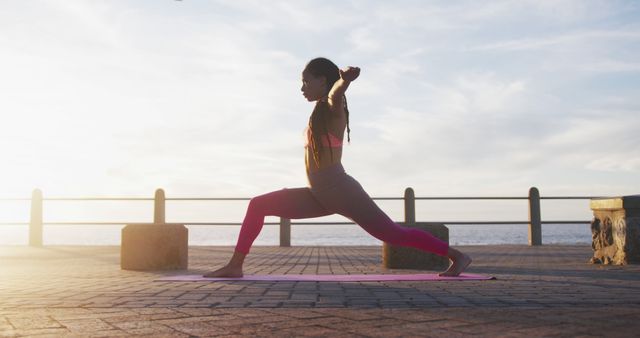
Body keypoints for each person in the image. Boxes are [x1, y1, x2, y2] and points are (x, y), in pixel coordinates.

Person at [204, 57, 472, 278]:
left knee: (393, 233)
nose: (302, 88)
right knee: (258, 205)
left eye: (306, 81)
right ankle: (235, 266)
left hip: (342, 191)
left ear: (323, 81)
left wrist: (344, 81)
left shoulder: (334, 108)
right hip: (317, 195)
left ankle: (458, 257)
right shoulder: (317, 114)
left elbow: (336, 93)